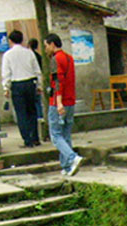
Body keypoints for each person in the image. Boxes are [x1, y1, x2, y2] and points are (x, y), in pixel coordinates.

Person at [44, 33, 83, 176]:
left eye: (46, 45)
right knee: (66, 133)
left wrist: (58, 102)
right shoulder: (69, 58)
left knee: (55, 134)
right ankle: (66, 166)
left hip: (58, 102)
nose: (46, 48)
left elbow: (58, 82)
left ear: (52, 44)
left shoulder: (56, 59)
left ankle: (72, 158)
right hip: (70, 100)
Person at [1, 30, 41, 147]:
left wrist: (6, 88)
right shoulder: (29, 53)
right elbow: (37, 70)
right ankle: (35, 138)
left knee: (21, 113)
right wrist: (39, 85)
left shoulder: (7, 55)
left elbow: (6, 73)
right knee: (32, 111)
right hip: (30, 83)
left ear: (10, 40)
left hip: (17, 84)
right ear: (22, 40)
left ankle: (27, 140)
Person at [28, 38, 44, 121]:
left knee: (32, 103)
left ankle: (35, 119)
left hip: (30, 81)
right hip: (37, 80)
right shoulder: (39, 56)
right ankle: (40, 118)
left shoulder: (28, 56)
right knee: (38, 102)